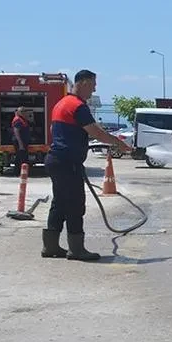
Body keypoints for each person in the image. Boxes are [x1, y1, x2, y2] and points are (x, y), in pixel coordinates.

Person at [42, 70, 132, 261]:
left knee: (59, 203)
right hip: (67, 162)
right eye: (93, 84)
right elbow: (97, 133)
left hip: (55, 160)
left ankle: (50, 247)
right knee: (75, 205)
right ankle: (77, 249)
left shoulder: (61, 104)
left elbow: (54, 129)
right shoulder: (78, 106)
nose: (94, 89)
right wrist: (119, 143)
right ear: (82, 83)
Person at [11, 107, 32, 176]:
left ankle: (22, 172)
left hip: (23, 141)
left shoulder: (22, 119)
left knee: (22, 157)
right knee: (20, 158)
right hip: (19, 142)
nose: (25, 112)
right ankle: (18, 173)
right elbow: (16, 132)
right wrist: (20, 144)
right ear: (19, 112)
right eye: (23, 111)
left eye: (25, 111)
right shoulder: (17, 120)